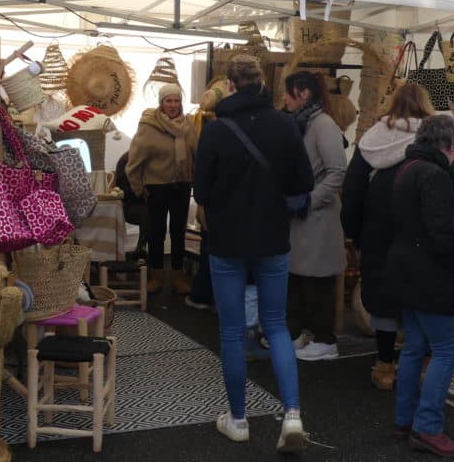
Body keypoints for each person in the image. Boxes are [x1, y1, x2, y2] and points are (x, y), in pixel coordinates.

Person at [195, 54, 314, 452]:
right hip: (272, 238)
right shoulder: (285, 124)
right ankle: (292, 414)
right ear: (262, 82)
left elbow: (201, 191)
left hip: (227, 241)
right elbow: (302, 183)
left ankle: (239, 419)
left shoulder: (215, 130)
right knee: (276, 325)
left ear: (229, 85)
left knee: (232, 331)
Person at [384, 114, 454, 458]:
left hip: (406, 269)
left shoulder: (407, 168)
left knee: (415, 346)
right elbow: (443, 233)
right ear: (448, 144)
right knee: (447, 348)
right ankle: (428, 427)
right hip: (431, 274)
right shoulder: (434, 175)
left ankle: (405, 419)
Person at [341, 83, 435, 389]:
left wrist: (354, 232)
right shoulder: (432, 138)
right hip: (419, 228)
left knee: (382, 293)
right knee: (419, 293)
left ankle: (385, 366)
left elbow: (352, 188)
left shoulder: (373, 137)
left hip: (378, 225)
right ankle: (421, 364)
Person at [282, 71, 348, 361]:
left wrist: (311, 201)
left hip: (317, 217)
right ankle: (300, 333)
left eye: (287, 93)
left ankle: (325, 340)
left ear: (303, 93)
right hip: (300, 215)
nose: (284, 99)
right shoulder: (303, 123)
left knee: (317, 280)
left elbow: (338, 171)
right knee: (298, 277)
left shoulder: (323, 124)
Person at [126, 83, 198, 294]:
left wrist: (195, 179)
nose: (173, 105)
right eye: (168, 101)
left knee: (178, 233)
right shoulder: (149, 126)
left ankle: (178, 276)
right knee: (156, 233)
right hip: (156, 188)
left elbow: (197, 154)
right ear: (161, 103)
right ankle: (156, 276)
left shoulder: (188, 125)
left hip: (182, 186)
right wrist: (138, 188)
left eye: (176, 101)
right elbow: (134, 161)